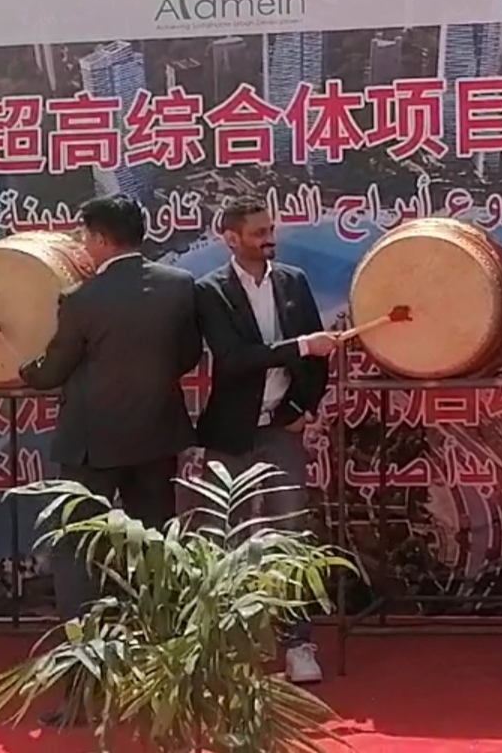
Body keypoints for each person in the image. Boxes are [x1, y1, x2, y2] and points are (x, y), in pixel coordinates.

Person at [17, 194, 202, 726]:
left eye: (84, 237)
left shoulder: (82, 299)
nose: (81, 246)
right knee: (156, 553)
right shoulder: (179, 286)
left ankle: (83, 686)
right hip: (155, 438)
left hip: (91, 446)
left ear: (99, 239)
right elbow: (188, 355)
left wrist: (26, 368)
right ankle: (166, 679)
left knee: (77, 556)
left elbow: (51, 372)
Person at [193, 194, 339, 685]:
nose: (269, 238)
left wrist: (301, 409)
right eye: (259, 233)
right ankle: (227, 645)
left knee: (290, 537)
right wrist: (299, 346)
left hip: (282, 428)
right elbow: (233, 359)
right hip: (230, 433)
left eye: (270, 230)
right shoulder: (210, 291)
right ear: (231, 239)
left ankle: (297, 644)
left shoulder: (292, 281)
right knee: (223, 539)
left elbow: (318, 361)